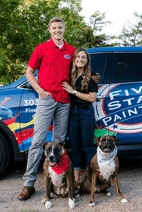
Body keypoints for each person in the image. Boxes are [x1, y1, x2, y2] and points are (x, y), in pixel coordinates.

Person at [18, 17, 76, 201]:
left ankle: (58, 181)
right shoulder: (41, 48)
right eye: (54, 28)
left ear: (64, 29)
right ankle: (29, 185)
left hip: (65, 101)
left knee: (59, 142)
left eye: (60, 27)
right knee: (37, 141)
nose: (57, 30)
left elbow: (81, 69)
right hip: (47, 100)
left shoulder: (71, 51)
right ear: (49, 30)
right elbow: (29, 72)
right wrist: (40, 91)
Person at [62, 48, 98, 184]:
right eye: (78, 57)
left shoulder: (92, 76)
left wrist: (74, 92)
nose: (80, 59)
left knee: (88, 146)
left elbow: (92, 98)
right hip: (71, 114)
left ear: (87, 60)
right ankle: (76, 178)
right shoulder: (69, 76)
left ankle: (90, 177)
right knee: (75, 146)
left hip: (86, 113)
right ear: (74, 59)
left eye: (83, 57)